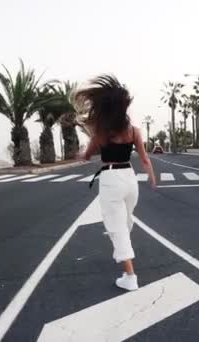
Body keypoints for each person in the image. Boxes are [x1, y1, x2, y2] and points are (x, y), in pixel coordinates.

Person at [76, 75, 156, 291]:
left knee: (117, 226)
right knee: (126, 221)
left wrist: (82, 151)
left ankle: (130, 277)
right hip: (130, 179)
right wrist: (151, 176)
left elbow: (87, 156)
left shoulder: (101, 132)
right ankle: (123, 252)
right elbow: (145, 158)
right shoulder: (134, 131)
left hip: (111, 178)